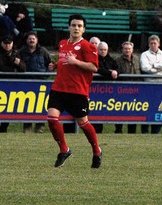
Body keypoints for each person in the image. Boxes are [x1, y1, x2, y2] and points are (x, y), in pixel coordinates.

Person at [46, 14, 102, 168]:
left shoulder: (87, 46)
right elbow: (66, 62)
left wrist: (75, 61)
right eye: (73, 25)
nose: (76, 28)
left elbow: (93, 67)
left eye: (79, 26)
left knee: (83, 123)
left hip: (77, 91)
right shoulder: (63, 43)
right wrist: (56, 65)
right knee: (51, 118)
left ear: (84, 29)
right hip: (59, 88)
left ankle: (96, 150)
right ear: (69, 27)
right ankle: (64, 149)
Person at [0, 37, 26, 133]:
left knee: (8, 107)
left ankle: (4, 128)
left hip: (10, 85)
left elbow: (23, 68)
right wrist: (14, 68)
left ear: (12, 43)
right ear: (2, 43)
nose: (7, 45)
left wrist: (19, 64)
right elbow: (0, 67)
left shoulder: (16, 53)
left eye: (9, 43)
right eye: (5, 43)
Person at [19, 31, 51, 134]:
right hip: (27, 83)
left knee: (40, 106)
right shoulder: (22, 52)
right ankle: (27, 127)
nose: (31, 40)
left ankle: (40, 127)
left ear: (37, 40)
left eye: (33, 38)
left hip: (41, 83)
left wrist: (45, 75)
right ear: (26, 40)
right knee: (27, 105)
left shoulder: (43, 51)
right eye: (29, 38)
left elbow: (50, 65)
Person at [141, 35, 162, 134]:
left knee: (159, 107)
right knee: (147, 108)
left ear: (159, 44)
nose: (153, 45)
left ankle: (156, 131)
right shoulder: (144, 54)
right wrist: (158, 68)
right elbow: (145, 68)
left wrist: (153, 65)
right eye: (151, 43)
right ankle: (144, 131)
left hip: (161, 85)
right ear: (148, 44)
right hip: (149, 85)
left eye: (155, 43)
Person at [115, 41, 143, 134]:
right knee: (120, 112)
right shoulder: (118, 60)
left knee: (133, 112)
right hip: (122, 91)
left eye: (129, 49)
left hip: (135, 91)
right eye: (125, 48)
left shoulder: (137, 59)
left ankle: (132, 132)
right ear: (122, 49)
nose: (127, 50)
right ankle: (118, 131)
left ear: (132, 50)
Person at [92, 41, 120, 133]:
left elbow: (117, 70)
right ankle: (97, 131)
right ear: (97, 50)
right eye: (101, 49)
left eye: (105, 50)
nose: (103, 51)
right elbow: (98, 69)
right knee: (96, 111)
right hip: (96, 90)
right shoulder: (94, 59)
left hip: (109, 90)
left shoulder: (111, 60)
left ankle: (118, 131)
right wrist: (110, 72)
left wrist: (115, 72)